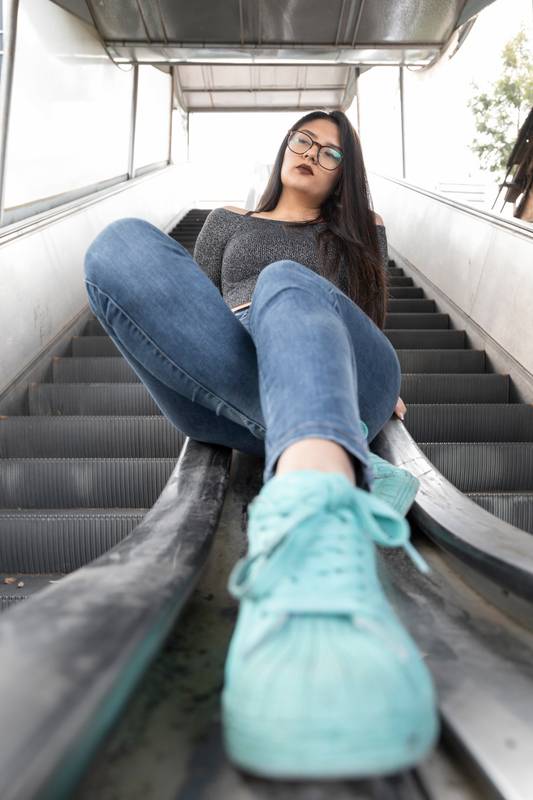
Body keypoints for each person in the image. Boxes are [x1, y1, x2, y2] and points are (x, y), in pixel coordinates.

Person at [83, 109, 439, 780]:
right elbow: (191, 305)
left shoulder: (358, 234)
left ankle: (317, 522)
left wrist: (374, 390)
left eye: (329, 153)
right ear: (284, 147)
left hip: (339, 369)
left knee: (283, 280)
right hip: (237, 377)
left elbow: (368, 316)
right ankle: (346, 474)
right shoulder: (226, 221)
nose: (310, 153)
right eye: (303, 140)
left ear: (343, 178)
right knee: (120, 243)